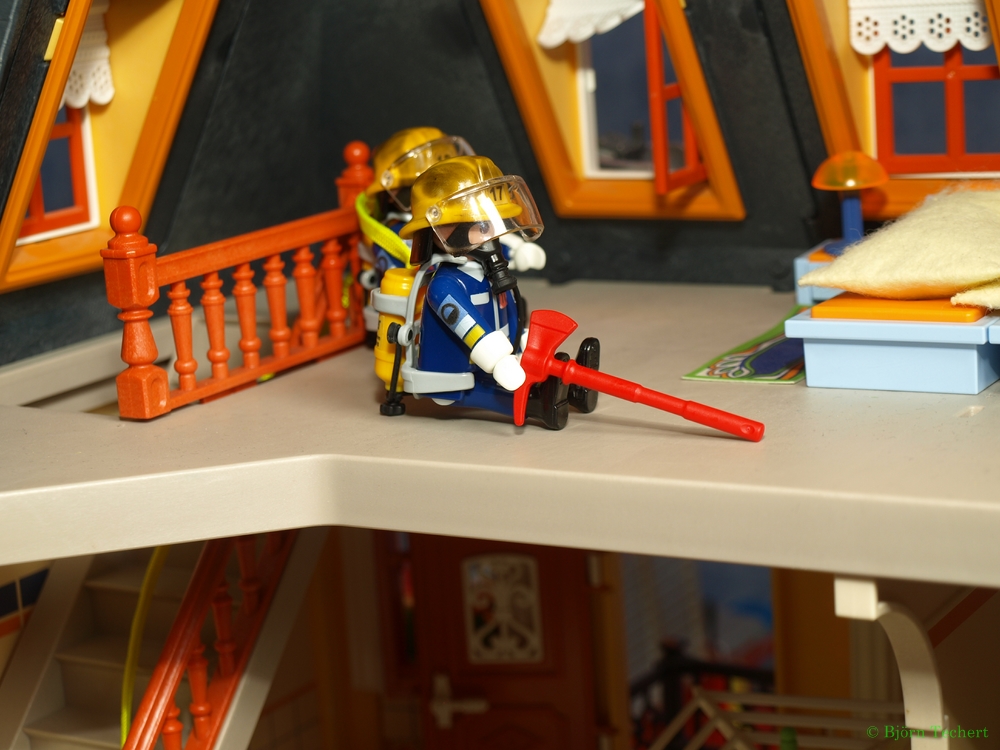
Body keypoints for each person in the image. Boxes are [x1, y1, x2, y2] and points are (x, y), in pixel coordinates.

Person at [393, 155, 596, 429]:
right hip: (457, 371)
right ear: (446, 231)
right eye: (483, 226)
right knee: (496, 392)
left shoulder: (484, 267)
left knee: (524, 372)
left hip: (498, 356)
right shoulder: (444, 285)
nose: (494, 238)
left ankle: (573, 387)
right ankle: (538, 404)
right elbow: (467, 326)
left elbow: (504, 301)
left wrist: (518, 341)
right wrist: (497, 359)